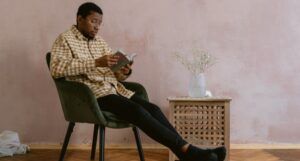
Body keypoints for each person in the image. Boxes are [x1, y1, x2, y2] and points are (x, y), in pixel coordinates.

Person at [50, 2, 226, 161]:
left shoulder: (100, 42)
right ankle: (191, 152)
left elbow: (113, 74)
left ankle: (185, 153)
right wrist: (96, 62)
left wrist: (124, 70)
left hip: (114, 90)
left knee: (153, 109)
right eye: (93, 21)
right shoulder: (64, 39)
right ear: (79, 19)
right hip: (91, 96)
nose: (97, 27)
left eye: (99, 23)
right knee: (138, 112)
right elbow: (56, 69)